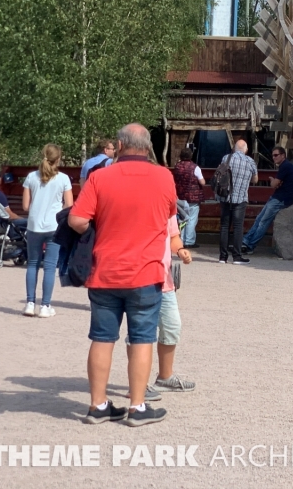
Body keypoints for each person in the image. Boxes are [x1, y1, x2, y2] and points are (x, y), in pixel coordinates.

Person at [69, 123, 178, 426]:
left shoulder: (100, 177)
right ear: (147, 146)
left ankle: (97, 405)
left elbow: (77, 219)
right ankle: (138, 407)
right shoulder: (163, 177)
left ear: (118, 145)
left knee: (102, 338)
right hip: (146, 270)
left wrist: (96, 229)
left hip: (105, 270)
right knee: (142, 338)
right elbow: (170, 213)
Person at [130, 214, 195, 402]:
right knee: (139, 332)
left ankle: (165, 377)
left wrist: (180, 249)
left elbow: (173, 235)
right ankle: (137, 384)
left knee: (172, 326)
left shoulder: (168, 206)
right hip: (141, 276)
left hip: (164, 279)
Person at [21, 145, 74, 317]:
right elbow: (69, 205)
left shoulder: (31, 177)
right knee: (50, 267)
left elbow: (25, 206)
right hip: (54, 225)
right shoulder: (64, 179)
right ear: (58, 159)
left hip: (34, 225)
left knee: (32, 264)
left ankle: (30, 303)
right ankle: (45, 305)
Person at [241, 145, 293, 254]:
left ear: (283, 155)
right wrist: (276, 182)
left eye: (276, 155)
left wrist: (272, 180)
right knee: (259, 219)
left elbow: (274, 184)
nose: (274, 158)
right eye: (273, 156)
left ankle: (250, 246)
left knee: (263, 222)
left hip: (281, 199)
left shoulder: (285, 166)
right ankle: (246, 241)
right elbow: (278, 183)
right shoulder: (286, 166)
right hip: (277, 198)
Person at [215, 139, 258, 264]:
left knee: (224, 226)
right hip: (240, 197)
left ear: (234, 149)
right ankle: (237, 256)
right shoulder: (250, 161)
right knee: (238, 227)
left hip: (225, 196)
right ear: (246, 149)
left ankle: (223, 257)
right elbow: (255, 179)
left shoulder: (226, 158)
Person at [172, 148, 205, 249]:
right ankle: (189, 241)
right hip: (193, 198)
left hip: (180, 197)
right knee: (191, 219)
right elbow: (202, 182)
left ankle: (181, 240)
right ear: (191, 156)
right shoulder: (195, 167)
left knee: (183, 219)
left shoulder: (177, 167)